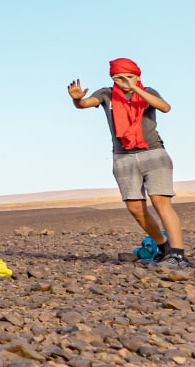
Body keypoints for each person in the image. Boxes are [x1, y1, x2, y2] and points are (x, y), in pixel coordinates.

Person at [67, 59, 186, 269]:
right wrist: (77, 100)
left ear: (137, 77)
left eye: (128, 77)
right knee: (135, 208)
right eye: (118, 78)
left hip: (153, 153)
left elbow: (165, 107)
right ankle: (163, 247)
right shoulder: (106, 94)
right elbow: (85, 104)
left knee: (160, 202)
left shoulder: (148, 92)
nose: (123, 81)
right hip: (123, 156)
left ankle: (178, 255)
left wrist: (136, 90)